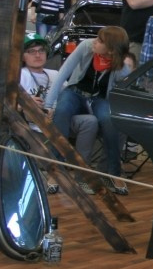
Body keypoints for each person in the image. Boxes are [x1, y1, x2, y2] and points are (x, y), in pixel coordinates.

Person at [43, 26, 134, 195]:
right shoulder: (86, 46)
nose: (94, 42)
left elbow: (125, 93)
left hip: (99, 99)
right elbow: (63, 73)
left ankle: (113, 172)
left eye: (100, 41)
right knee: (62, 110)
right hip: (75, 92)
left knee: (111, 121)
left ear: (111, 50)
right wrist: (49, 104)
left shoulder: (122, 68)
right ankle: (55, 170)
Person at [19, 33, 99, 193]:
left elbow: (71, 98)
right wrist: (25, 102)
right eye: (31, 51)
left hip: (60, 120)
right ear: (22, 56)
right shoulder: (20, 75)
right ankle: (56, 172)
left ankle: (82, 175)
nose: (37, 55)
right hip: (36, 127)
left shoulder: (55, 74)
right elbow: (8, 105)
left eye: (41, 50)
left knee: (90, 121)